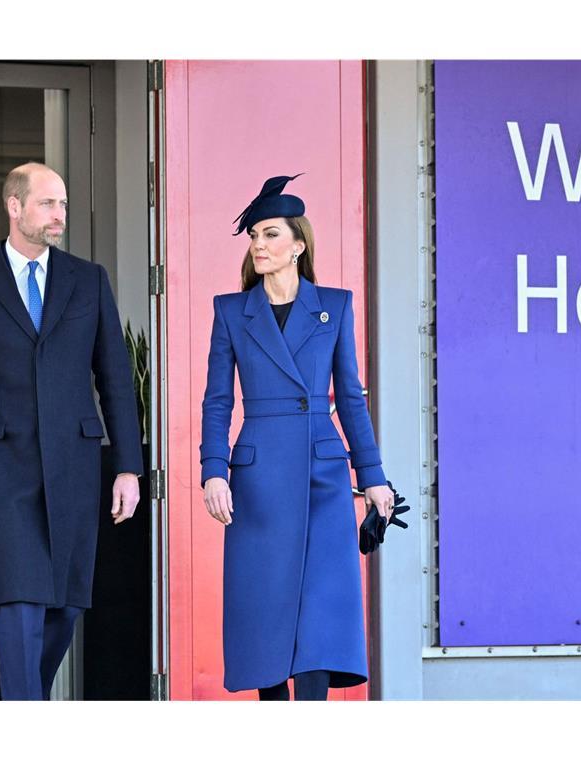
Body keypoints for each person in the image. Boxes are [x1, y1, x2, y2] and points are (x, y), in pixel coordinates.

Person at [0, 162, 142, 700]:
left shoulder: (89, 280)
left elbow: (115, 379)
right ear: (14, 207)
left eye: (62, 204)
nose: (60, 215)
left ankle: (16, 701)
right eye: (47, 204)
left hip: (76, 463)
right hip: (3, 468)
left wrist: (128, 466)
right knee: (19, 596)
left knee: (66, 602)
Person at [201, 174, 394, 700]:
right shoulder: (231, 311)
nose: (259, 245)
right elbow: (218, 400)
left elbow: (350, 397)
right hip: (259, 479)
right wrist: (213, 472)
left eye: (270, 236)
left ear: (297, 245)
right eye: (255, 236)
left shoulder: (334, 305)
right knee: (265, 609)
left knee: (319, 614)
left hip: (323, 474)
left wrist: (372, 479)